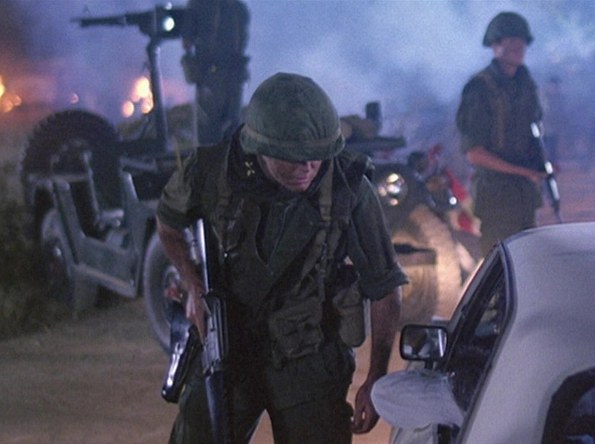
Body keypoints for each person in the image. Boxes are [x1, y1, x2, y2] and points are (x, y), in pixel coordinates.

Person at [157, 73, 407, 443]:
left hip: (308, 355)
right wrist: (191, 281)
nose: (308, 168)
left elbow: (385, 286)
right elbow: (168, 223)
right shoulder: (211, 170)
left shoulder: (347, 185)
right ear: (258, 147)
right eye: (293, 159)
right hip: (228, 347)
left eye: (316, 157)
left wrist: (376, 377)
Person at [456, 11, 544, 254]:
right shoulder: (479, 89)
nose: (519, 46)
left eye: (522, 40)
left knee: (529, 263)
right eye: (511, 39)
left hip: (524, 196)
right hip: (497, 197)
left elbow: (534, 132)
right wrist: (524, 171)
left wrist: (539, 167)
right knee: (501, 267)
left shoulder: (526, 85)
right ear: (495, 45)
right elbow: (475, 153)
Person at [181, 0, 250, 145]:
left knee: (216, 129)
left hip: (220, 75)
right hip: (222, 75)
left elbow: (187, 42)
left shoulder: (201, 4)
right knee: (224, 127)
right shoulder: (238, 8)